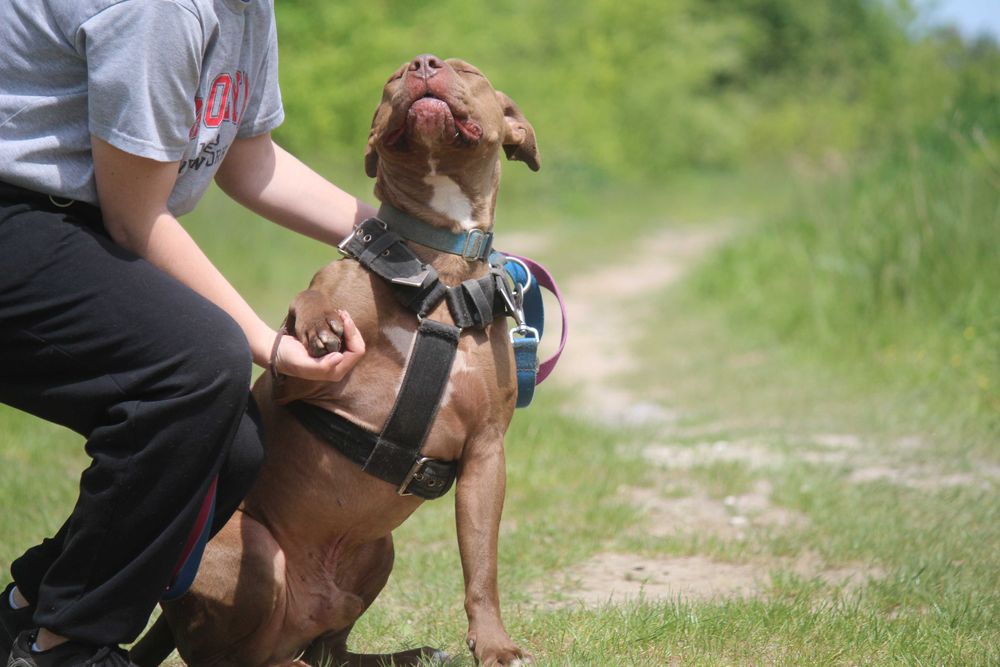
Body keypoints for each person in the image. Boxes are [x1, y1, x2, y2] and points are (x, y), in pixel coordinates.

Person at [0, 0, 371, 665]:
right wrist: (269, 343)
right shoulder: (162, 8)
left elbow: (246, 158)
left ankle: (24, 612)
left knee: (232, 439)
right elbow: (135, 218)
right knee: (198, 365)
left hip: (64, 219)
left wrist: (389, 237)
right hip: (18, 212)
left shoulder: (245, 7)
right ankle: (68, 648)